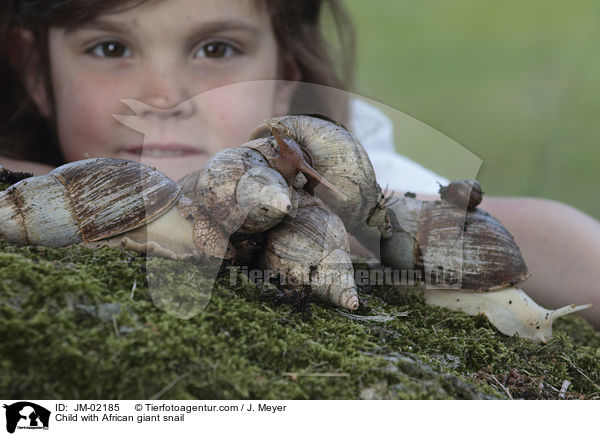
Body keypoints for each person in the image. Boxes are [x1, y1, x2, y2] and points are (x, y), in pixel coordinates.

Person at [1, 0, 599, 328]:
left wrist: (369, 235)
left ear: (284, 76)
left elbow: (565, 243)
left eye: (217, 49)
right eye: (110, 48)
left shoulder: (333, 171)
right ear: (36, 70)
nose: (165, 94)